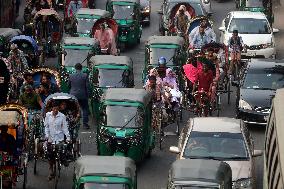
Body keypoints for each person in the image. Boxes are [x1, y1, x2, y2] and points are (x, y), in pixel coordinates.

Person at [44, 102, 70, 180]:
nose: (55, 110)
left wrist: (68, 137)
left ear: (58, 109)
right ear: (52, 108)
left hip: (59, 138)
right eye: (54, 108)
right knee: (49, 154)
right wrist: (47, 136)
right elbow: (46, 127)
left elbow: (65, 128)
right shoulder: (48, 115)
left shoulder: (62, 116)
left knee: (62, 149)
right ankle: (51, 170)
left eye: (57, 109)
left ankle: (63, 159)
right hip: (51, 139)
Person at [69, 63, 90, 129]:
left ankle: (73, 123)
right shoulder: (85, 75)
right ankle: (85, 124)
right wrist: (88, 95)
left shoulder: (71, 76)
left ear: (75, 68)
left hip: (73, 95)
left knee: (73, 109)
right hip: (83, 95)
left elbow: (68, 85)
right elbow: (87, 86)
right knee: (85, 109)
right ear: (81, 68)